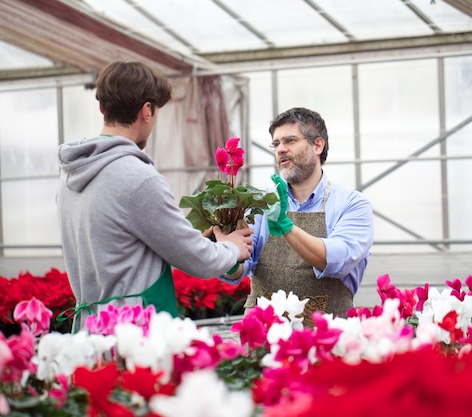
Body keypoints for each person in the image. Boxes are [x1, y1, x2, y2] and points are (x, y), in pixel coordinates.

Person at [56, 61, 253, 330]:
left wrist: (196, 239)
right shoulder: (136, 176)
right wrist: (232, 248)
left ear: (102, 108)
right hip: (134, 335)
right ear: (147, 110)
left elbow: (123, 244)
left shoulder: (69, 175)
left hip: (91, 329)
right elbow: (199, 260)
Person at [220, 107, 373, 323]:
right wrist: (227, 251)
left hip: (328, 340)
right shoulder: (259, 203)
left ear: (317, 145)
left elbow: (336, 260)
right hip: (264, 339)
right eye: (276, 144)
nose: (280, 149)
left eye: (290, 141)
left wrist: (285, 225)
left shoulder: (352, 204)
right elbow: (240, 269)